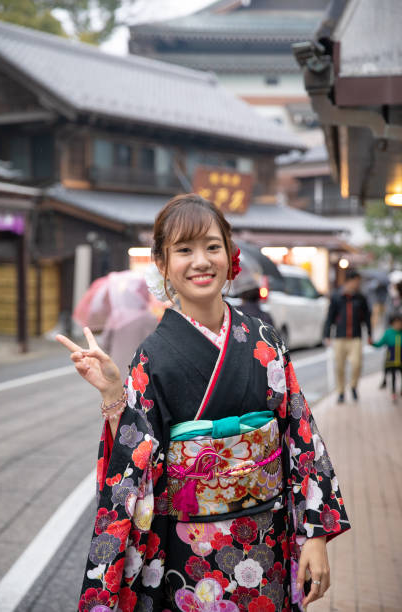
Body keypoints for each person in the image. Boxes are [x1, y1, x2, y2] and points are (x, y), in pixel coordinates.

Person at [57, 194, 349, 612]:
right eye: (184, 249)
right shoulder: (152, 357)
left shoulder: (264, 340)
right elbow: (138, 458)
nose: (201, 261)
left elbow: (301, 436)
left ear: (231, 254)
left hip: (267, 539)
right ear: (162, 263)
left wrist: (316, 535)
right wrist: (112, 397)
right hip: (188, 554)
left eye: (212, 246)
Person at [323, 269, 372, 403]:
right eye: (356, 282)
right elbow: (330, 316)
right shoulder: (337, 297)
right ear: (349, 281)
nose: (357, 284)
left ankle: (354, 386)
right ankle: (341, 392)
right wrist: (327, 335)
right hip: (340, 337)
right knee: (339, 366)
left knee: (357, 364)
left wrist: (369, 334)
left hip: (355, 337)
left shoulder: (361, 298)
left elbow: (367, 317)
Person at [373, 313, 402, 402]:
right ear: (392, 323)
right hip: (391, 360)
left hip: (401, 360)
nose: (398, 325)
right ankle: (393, 393)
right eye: (396, 323)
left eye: (400, 323)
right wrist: (372, 343)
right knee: (393, 377)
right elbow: (380, 344)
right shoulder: (388, 333)